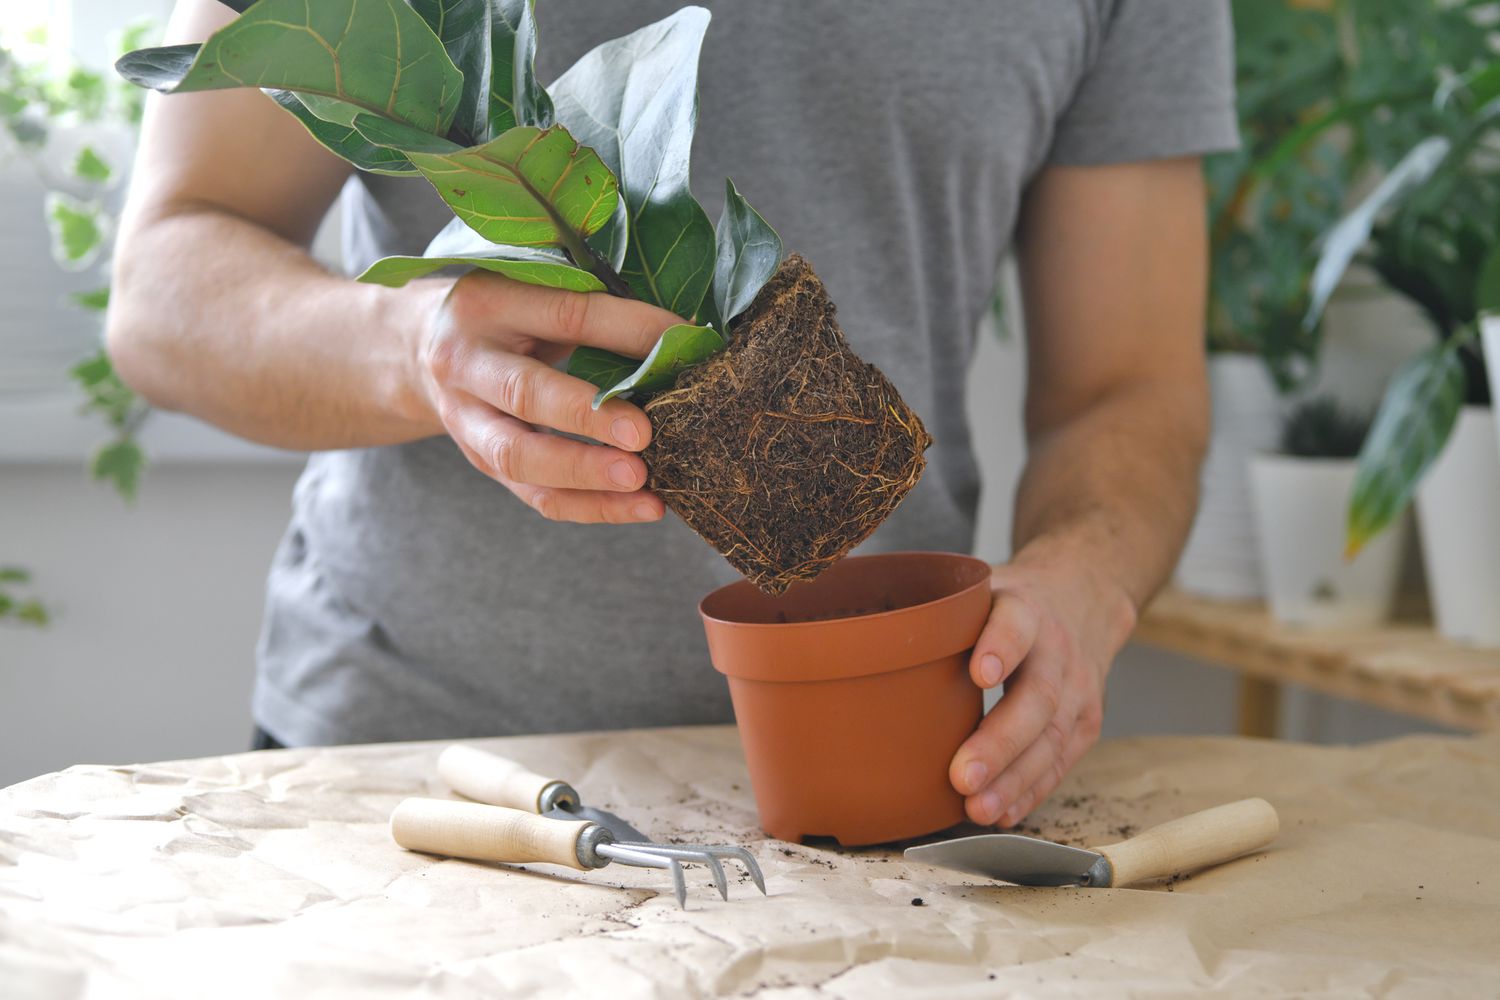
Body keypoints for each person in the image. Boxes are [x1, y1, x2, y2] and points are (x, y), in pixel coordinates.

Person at [108, 0, 1237, 830]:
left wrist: (1087, 578)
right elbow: (164, 287)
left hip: (883, 780)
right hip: (425, 778)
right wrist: (416, 351)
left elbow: (1126, 388)